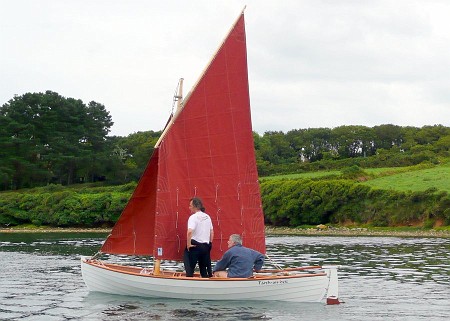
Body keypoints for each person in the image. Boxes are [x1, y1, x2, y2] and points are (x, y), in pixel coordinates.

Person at [184, 197, 214, 277]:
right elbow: (211, 232)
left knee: (189, 267)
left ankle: (189, 281)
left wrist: (188, 244)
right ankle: (206, 282)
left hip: (195, 245)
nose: (189, 207)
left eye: (190, 205)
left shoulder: (193, 217)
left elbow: (190, 231)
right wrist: (210, 244)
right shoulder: (207, 217)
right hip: (205, 246)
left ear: (195, 206)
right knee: (204, 270)